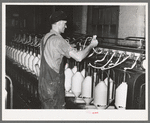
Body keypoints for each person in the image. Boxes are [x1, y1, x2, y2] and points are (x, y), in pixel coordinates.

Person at [38, 10, 98, 109]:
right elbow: (79, 57)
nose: (66, 26)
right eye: (65, 23)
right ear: (59, 23)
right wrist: (91, 46)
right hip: (54, 89)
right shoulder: (59, 41)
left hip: (44, 86)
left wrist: (69, 47)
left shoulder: (45, 38)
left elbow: (54, 52)